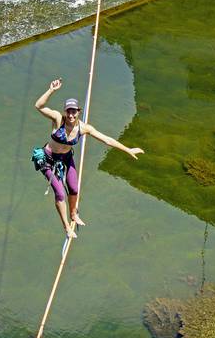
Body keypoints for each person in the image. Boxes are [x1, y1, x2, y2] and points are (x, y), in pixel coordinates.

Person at [33, 78, 144, 238]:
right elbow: (39, 106)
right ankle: (66, 228)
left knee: (74, 189)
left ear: (79, 111)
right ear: (65, 112)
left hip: (65, 158)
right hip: (48, 159)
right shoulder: (58, 119)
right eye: (69, 111)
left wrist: (128, 149)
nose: (71, 115)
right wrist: (51, 90)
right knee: (60, 193)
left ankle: (73, 214)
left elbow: (107, 139)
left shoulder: (84, 128)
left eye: (74, 111)